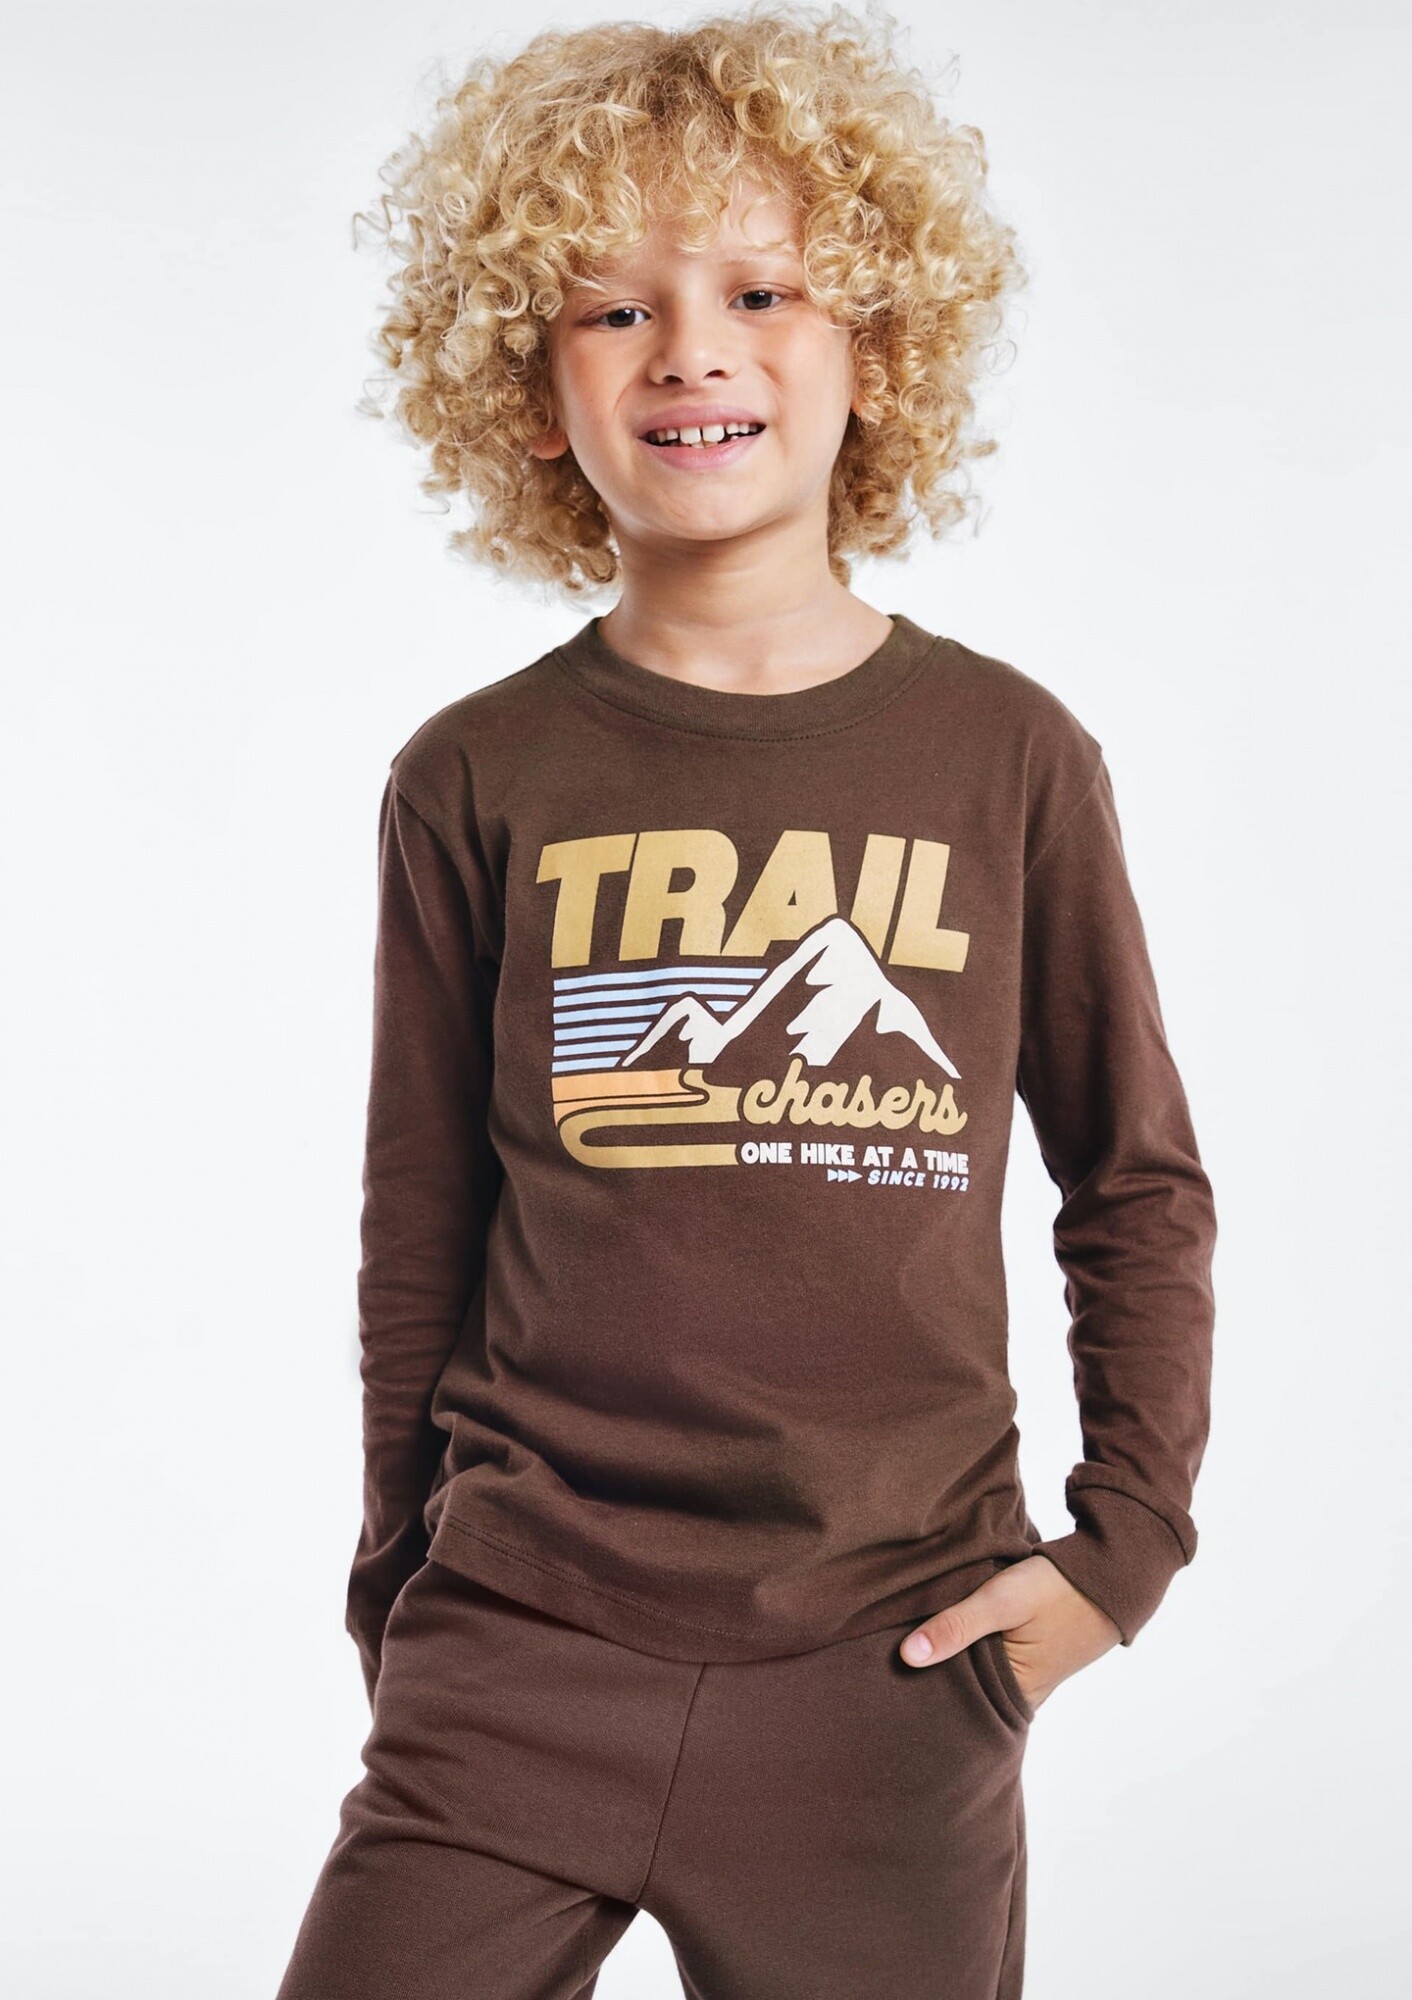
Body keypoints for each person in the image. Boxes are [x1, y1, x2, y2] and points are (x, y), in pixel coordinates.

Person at [274, 5, 1217, 1995]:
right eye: (613, 310)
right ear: (530, 392)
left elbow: (1132, 1183)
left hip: (891, 1670)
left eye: (761, 291)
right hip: (518, 1649)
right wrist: (398, 1593)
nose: (690, 349)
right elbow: (419, 1225)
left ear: (878, 345)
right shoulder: (474, 774)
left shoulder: (1008, 757)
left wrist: (1122, 1550)